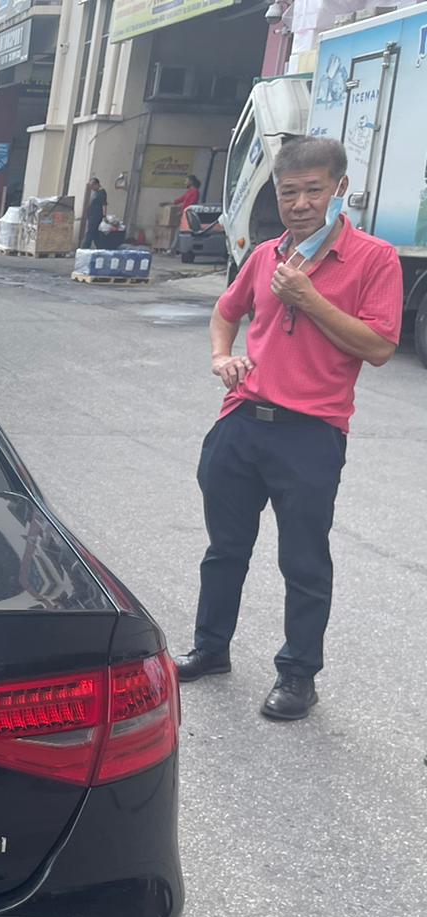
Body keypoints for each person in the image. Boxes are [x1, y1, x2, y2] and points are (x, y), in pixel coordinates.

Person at [174, 137, 402, 719]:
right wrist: (221, 357)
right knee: (224, 550)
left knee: (303, 562)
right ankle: (210, 648)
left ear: (340, 188)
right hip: (241, 424)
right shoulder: (265, 255)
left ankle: (299, 674)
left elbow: (379, 347)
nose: (299, 204)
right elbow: (226, 312)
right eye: (288, 192)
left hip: (311, 434)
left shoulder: (374, 259)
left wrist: (310, 298)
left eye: (313, 190)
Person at [82, 178, 108, 249]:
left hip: (96, 217)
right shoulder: (95, 193)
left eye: (92, 186)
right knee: (95, 235)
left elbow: (104, 205)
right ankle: (101, 248)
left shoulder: (101, 193)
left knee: (90, 233)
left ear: (97, 184)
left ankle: (84, 248)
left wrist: (104, 216)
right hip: (92, 217)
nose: (92, 188)